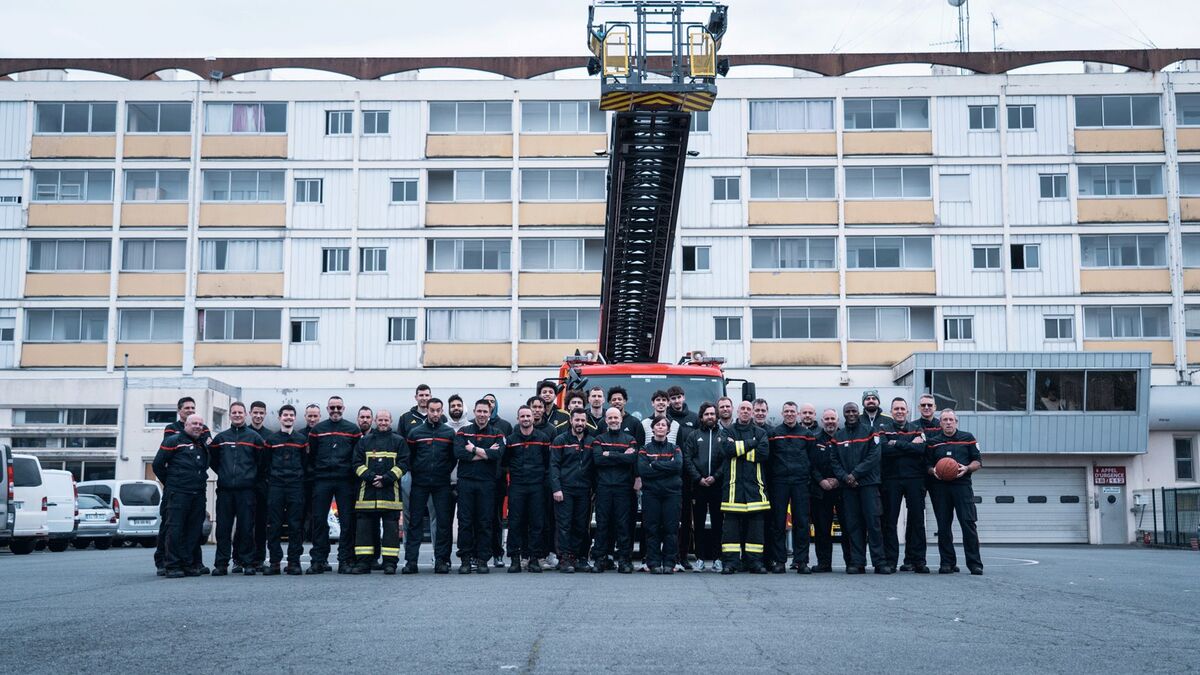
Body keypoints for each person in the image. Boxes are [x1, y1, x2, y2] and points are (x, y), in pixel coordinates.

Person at [830, 402, 888, 575]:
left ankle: (880, 562)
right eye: (847, 411)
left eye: (853, 411)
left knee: (874, 524)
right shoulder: (837, 436)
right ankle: (857, 562)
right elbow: (834, 461)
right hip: (848, 488)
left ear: (859, 412)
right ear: (844, 414)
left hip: (868, 485)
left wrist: (854, 474)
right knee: (853, 525)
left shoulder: (870, 432)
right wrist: (845, 477)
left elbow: (874, 456)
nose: (851, 414)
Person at [307, 396, 363, 574]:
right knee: (319, 520)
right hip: (322, 479)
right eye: (332, 407)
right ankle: (319, 559)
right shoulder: (317, 430)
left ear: (344, 408)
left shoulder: (353, 430)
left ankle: (345, 559)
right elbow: (311, 455)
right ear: (327, 409)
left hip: (345, 480)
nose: (336, 410)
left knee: (347, 521)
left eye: (339, 407)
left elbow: (357, 456)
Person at [209, 402, 265, 576]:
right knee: (223, 528)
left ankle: (247, 562)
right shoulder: (221, 438)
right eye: (234, 412)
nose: (237, 415)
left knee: (246, 527)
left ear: (245, 414)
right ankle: (221, 564)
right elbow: (214, 461)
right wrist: (225, 475)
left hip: (247, 490)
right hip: (225, 490)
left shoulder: (254, 438)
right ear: (230, 415)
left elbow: (261, 463)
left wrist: (250, 478)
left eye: (240, 412)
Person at [926, 409, 984, 575]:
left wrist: (967, 468)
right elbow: (927, 464)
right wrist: (933, 471)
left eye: (951, 419)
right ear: (940, 423)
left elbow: (978, 461)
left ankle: (975, 564)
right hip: (941, 488)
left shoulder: (968, 438)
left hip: (962, 486)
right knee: (943, 526)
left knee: (968, 524)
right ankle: (947, 563)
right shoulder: (933, 442)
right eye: (945, 420)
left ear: (956, 422)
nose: (948, 422)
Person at [153, 414, 211, 578]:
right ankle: (172, 565)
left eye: (200, 424)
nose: (198, 426)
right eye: (194, 423)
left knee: (194, 530)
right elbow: (158, 465)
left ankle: (189, 564)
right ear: (185, 425)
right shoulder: (173, 441)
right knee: (175, 529)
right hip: (178, 493)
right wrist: (172, 482)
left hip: (198, 493)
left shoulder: (202, 444)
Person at [403, 398, 456, 574]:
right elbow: (408, 456)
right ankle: (411, 561)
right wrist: (417, 471)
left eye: (438, 410)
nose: (434, 414)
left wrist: (443, 471)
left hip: (441, 483)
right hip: (420, 483)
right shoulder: (415, 433)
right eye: (431, 410)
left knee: (443, 522)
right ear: (427, 410)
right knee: (415, 522)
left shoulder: (449, 433)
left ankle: (441, 560)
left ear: (442, 411)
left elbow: (453, 457)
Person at [766, 401, 820, 574]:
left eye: (792, 412)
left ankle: (801, 561)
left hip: (800, 483)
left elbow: (813, 460)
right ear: (782, 414)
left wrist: (809, 479)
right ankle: (780, 561)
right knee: (778, 522)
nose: (789, 414)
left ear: (797, 415)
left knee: (802, 522)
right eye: (786, 411)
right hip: (779, 483)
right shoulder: (774, 433)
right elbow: (770, 459)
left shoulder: (807, 434)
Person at [352, 410, 407, 575]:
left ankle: (390, 564)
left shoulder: (398, 441)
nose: (383, 423)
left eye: (386, 420)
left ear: (391, 421)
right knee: (364, 531)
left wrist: (386, 478)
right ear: (375, 420)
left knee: (391, 532)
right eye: (380, 420)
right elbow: (356, 463)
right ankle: (364, 563)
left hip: (390, 494)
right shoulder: (364, 441)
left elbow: (404, 464)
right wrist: (370, 477)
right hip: (366, 495)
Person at [454, 399, 505, 574]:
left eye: (485, 412)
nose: (482, 415)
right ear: (474, 411)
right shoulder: (463, 432)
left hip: (487, 484)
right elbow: (458, 453)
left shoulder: (497, 433)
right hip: (466, 482)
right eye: (479, 411)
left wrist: (474, 449)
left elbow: (497, 454)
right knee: (465, 521)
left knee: (485, 522)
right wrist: (485, 453)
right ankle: (466, 559)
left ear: (490, 413)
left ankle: (483, 559)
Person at [718, 401, 770, 574]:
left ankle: (754, 562)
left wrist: (739, 448)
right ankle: (731, 563)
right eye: (743, 409)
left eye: (749, 409)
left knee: (756, 529)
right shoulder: (727, 431)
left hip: (755, 489)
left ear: (753, 412)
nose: (746, 411)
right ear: (737, 411)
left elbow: (763, 454)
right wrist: (751, 443)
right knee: (730, 531)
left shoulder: (761, 433)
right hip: (733, 489)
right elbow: (727, 449)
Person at [879, 397, 929, 574]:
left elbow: (921, 449)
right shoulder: (883, 429)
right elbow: (884, 450)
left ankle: (917, 561)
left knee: (917, 521)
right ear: (891, 412)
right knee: (889, 521)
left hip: (915, 479)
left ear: (907, 411)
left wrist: (897, 444)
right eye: (896, 409)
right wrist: (908, 445)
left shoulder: (917, 428)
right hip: (891, 479)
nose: (899, 411)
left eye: (902, 408)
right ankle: (890, 561)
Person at [503, 405, 551, 573]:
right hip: (517, 486)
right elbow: (505, 463)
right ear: (518, 419)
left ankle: (534, 559)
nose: (525, 419)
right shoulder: (511, 440)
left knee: (537, 523)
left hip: (537, 486)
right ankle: (515, 559)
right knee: (515, 522)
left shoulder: (543, 438)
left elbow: (548, 463)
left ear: (533, 418)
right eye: (522, 416)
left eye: (528, 416)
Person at [263, 404, 309, 576]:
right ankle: (274, 562)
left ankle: (293, 562)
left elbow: (306, 463)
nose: (288, 418)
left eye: (291, 415)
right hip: (276, 486)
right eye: (285, 415)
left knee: (295, 525)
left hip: (296, 486)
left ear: (295, 418)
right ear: (279, 418)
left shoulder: (302, 440)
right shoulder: (271, 440)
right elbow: (265, 463)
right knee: (273, 525)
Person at [591, 407, 637, 574]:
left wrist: (609, 454)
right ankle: (599, 559)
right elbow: (597, 459)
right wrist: (621, 455)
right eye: (610, 418)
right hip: (603, 488)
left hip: (623, 489)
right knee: (602, 525)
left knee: (623, 525)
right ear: (605, 420)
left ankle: (624, 560)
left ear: (621, 419)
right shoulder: (598, 439)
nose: (613, 420)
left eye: (616, 417)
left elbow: (631, 458)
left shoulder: (630, 439)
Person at [549, 410, 594, 573]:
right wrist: (557, 488)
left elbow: (596, 467)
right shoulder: (560, 440)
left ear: (586, 422)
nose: (580, 423)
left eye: (583, 420)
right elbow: (553, 465)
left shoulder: (591, 441)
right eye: (577, 420)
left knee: (581, 525)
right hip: (565, 489)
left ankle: (579, 557)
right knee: (564, 525)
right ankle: (564, 558)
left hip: (584, 490)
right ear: (571, 420)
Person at [637, 415, 684, 574]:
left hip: (672, 494)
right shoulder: (644, 449)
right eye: (658, 425)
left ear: (668, 429)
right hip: (651, 494)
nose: (661, 427)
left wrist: (655, 464)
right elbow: (643, 471)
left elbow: (677, 466)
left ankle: (670, 563)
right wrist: (666, 467)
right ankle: (654, 563)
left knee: (671, 529)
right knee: (652, 528)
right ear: (653, 428)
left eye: (664, 425)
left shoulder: (675, 448)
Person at [684, 402, 726, 573]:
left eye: (712, 414)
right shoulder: (694, 436)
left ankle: (717, 559)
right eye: (707, 414)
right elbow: (688, 458)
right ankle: (700, 559)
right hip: (699, 487)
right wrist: (698, 478)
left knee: (718, 524)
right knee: (699, 524)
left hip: (717, 486)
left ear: (716, 417)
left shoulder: (723, 435)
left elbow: (727, 460)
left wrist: (715, 477)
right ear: (701, 417)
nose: (710, 417)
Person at [811, 408, 851, 573]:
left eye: (832, 418)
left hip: (842, 490)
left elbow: (849, 462)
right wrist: (821, 480)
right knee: (821, 528)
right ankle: (824, 563)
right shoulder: (814, 440)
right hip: (821, 490)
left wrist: (838, 480)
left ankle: (851, 562)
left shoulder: (845, 438)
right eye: (826, 419)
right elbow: (810, 464)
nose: (829, 421)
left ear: (838, 420)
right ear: (822, 421)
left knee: (848, 527)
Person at [665, 385, 699, 572]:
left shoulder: (694, 419)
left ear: (684, 397)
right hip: (670, 475)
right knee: (671, 518)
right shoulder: (664, 419)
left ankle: (683, 556)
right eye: (673, 398)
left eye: (679, 397)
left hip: (688, 476)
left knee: (686, 518)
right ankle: (670, 555)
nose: (676, 401)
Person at [484, 393, 512, 569]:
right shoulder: (473, 425)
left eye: (492, 402)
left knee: (496, 519)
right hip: (479, 479)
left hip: (498, 480)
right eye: (486, 402)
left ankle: (497, 554)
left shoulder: (505, 426)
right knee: (480, 519)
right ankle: (479, 555)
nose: (489, 405)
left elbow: (507, 454)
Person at [246, 401, 272, 573]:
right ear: (250, 413)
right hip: (245, 485)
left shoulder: (270, 436)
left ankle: (259, 559)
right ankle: (241, 558)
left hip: (263, 485)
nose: (258, 416)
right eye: (255, 412)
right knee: (245, 524)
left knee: (261, 524)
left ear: (265, 414)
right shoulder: (243, 433)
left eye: (261, 413)